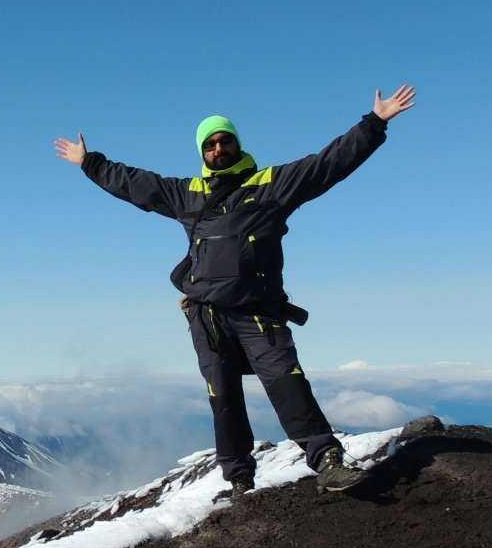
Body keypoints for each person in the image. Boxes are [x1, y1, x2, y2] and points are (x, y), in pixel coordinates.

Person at [53, 85, 417, 497]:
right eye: (209, 144)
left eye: (225, 140)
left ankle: (327, 460)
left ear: (237, 143)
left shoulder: (271, 185)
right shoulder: (189, 194)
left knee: (287, 381)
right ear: (202, 151)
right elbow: (137, 185)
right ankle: (239, 479)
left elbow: (328, 164)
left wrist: (374, 123)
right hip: (207, 317)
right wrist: (90, 163)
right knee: (223, 398)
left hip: (258, 312)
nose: (218, 149)